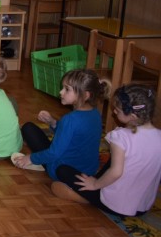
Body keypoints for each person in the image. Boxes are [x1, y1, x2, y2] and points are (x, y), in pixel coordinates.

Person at [51, 85, 161, 217]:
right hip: (142, 207)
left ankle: (85, 198)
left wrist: (95, 184)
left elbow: (116, 172)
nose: (114, 112)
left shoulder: (121, 137)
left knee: (62, 170)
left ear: (132, 116)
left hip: (115, 205)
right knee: (120, 159)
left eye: (117, 110)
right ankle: (94, 192)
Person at [15, 69, 108, 184]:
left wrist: (30, 158)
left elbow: (54, 153)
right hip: (88, 171)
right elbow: (73, 137)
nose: (61, 92)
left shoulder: (70, 119)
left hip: (60, 168)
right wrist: (53, 122)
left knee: (28, 128)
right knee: (32, 130)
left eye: (67, 89)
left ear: (85, 95)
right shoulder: (96, 114)